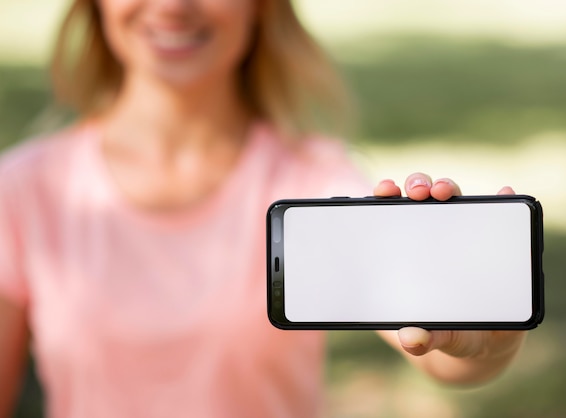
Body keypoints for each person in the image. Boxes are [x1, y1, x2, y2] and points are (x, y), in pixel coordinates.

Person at [0, 0, 526, 417]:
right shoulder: (25, 188)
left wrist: (482, 342)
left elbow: (433, 347)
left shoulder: (313, 179)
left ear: (262, 6)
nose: (173, 5)